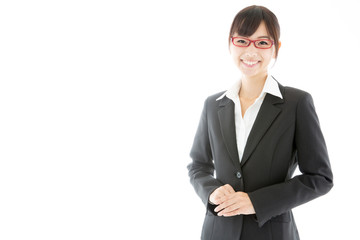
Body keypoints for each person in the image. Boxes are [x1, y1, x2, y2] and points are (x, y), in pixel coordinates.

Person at [187, 5, 333, 240]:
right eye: (242, 41)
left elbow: (320, 178)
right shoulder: (213, 105)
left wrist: (256, 202)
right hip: (218, 231)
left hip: (272, 232)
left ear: (276, 48)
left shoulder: (296, 103)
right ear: (230, 44)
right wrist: (211, 192)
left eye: (262, 42)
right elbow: (198, 165)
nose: (251, 50)